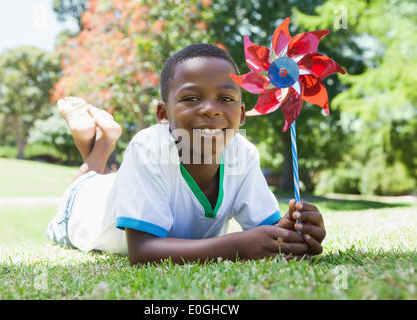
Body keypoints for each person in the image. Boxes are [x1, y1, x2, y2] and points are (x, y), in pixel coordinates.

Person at [46, 44, 326, 264]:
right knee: (86, 182)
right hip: (81, 207)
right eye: (191, 98)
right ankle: (102, 144)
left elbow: (268, 230)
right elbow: (142, 252)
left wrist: (294, 232)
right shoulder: (148, 148)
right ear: (163, 114)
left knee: (111, 177)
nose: (210, 109)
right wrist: (239, 245)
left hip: (120, 185)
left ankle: (104, 139)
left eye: (226, 99)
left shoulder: (244, 155)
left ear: (241, 115)